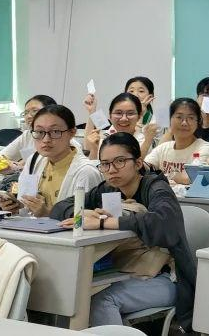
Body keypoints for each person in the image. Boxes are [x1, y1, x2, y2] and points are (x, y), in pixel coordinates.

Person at [49, 133, 196, 330]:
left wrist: (103, 222)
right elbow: (60, 208)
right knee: (72, 294)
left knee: (102, 300)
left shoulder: (156, 188)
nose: (112, 170)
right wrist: (83, 213)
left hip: (167, 278)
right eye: (105, 164)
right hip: (124, 271)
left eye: (120, 161)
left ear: (138, 163)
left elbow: (161, 223)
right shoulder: (107, 189)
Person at [0, 105, 102, 217]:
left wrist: (48, 213)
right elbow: (26, 209)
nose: (46, 139)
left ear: (72, 132)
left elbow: (84, 221)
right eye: (39, 132)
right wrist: (17, 208)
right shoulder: (34, 161)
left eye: (55, 132)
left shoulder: (86, 172)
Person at [145, 98, 209, 185]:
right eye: (179, 117)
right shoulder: (163, 148)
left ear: (198, 122)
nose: (184, 123)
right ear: (169, 120)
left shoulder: (203, 148)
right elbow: (143, 169)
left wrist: (158, 177)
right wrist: (147, 140)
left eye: (191, 118)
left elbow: (188, 178)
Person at [0, 95, 83, 165]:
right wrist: (16, 166)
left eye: (34, 111)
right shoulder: (28, 134)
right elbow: (2, 156)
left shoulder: (70, 143)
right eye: (26, 113)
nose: (28, 116)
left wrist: (22, 165)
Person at [85, 93, 156, 160]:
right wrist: (92, 111)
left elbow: (135, 165)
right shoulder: (106, 136)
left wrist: (147, 142)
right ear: (110, 115)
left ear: (139, 116)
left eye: (130, 113)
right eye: (118, 113)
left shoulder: (144, 142)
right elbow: (88, 150)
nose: (124, 118)